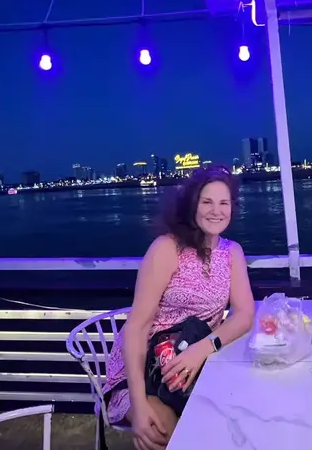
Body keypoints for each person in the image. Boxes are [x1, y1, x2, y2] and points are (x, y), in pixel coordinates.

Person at [103, 165, 255, 450]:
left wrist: (203, 348)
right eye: (207, 202)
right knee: (168, 436)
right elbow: (137, 328)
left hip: (194, 362)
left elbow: (245, 314)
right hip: (142, 372)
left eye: (224, 203)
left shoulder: (231, 252)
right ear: (192, 205)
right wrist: (138, 402)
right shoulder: (167, 249)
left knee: (241, 418)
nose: (216, 211)